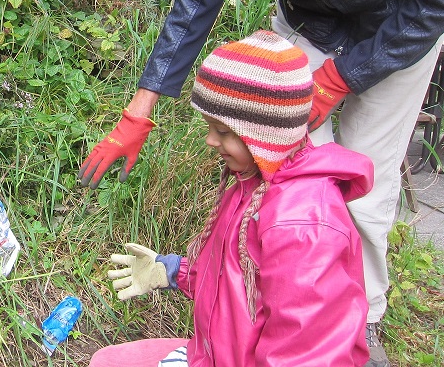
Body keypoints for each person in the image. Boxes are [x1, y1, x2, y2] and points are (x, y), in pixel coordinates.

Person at [77, 0, 444, 364]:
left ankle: (356, 327)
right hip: (306, 26)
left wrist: (343, 76)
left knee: (362, 191)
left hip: (396, 33)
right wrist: (143, 104)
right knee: (273, 179)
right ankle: (253, 299)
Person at [88, 30, 373, 367]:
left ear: (266, 135)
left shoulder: (303, 225)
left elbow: (309, 354)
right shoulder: (251, 184)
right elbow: (234, 279)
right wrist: (172, 270)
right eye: (210, 127)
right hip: (213, 355)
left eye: (223, 131)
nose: (210, 141)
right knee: (107, 361)